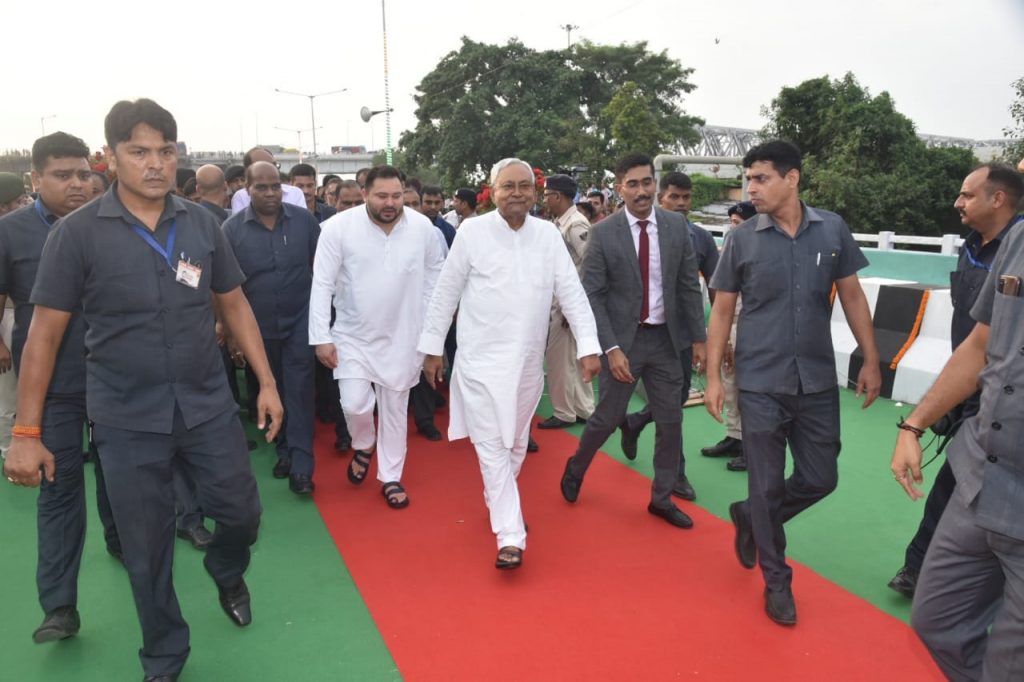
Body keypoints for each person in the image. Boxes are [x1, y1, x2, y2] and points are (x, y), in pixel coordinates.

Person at [2, 99, 282, 682]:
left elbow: (233, 303)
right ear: (110, 158)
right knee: (146, 547)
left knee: (242, 513)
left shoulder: (201, 223)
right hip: (125, 418)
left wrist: (267, 382)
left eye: (165, 151)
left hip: (206, 406)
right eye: (139, 151)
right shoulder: (76, 235)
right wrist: (26, 432)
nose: (155, 163)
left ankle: (227, 568)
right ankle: (164, 654)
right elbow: (43, 337)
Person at [704, 140, 881, 626]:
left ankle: (751, 517)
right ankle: (777, 580)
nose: (751, 188)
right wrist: (714, 376)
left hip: (816, 380)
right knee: (764, 486)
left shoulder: (833, 229)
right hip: (760, 382)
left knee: (821, 478)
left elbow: (852, 296)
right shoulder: (741, 239)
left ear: (792, 178)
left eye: (761, 178)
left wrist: (871, 359)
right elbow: (721, 310)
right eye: (749, 179)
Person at [419, 158, 600, 569]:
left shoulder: (547, 235)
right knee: (492, 446)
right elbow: (446, 293)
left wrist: (589, 347)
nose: (516, 193)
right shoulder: (472, 232)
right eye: (508, 186)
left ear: (535, 192)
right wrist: (432, 348)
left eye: (524, 186)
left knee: (516, 443)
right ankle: (510, 534)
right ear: (492, 191)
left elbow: (571, 293)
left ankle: (498, 498)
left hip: (527, 364)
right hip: (479, 363)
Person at [889, 165, 1024, 682]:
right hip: (983, 475)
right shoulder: (1016, 242)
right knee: (936, 624)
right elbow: (980, 343)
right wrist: (913, 426)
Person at [0, 131, 121, 643]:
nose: (77, 184)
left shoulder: (112, 226)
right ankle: (59, 607)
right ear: (36, 178)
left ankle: (123, 543)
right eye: (62, 175)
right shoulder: (10, 233)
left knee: (124, 477)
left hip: (116, 379)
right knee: (59, 487)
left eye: (83, 174)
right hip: (51, 387)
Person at [559, 153, 706, 530]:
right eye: (633, 184)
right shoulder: (604, 232)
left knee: (671, 422)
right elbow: (593, 293)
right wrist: (610, 348)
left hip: (667, 342)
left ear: (654, 184)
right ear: (620, 188)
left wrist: (698, 339)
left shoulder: (675, 226)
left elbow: (688, 286)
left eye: (647, 182)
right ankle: (576, 467)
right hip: (623, 342)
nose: (641, 191)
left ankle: (661, 498)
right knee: (607, 418)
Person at [310, 165, 444, 509]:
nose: (390, 203)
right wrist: (320, 337)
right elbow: (322, 283)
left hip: (405, 335)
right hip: (352, 335)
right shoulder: (337, 228)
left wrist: (431, 336)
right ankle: (364, 443)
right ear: (364, 193)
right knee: (354, 404)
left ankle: (391, 476)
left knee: (396, 410)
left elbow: (435, 280)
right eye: (382, 196)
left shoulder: (423, 229)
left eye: (397, 196)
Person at [616, 171, 719, 501]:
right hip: (642, 334)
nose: (681, 203)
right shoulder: (632, 232)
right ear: (660, 198)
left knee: (675, 401)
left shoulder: (701, 238)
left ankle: (637, 423)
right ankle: (674, 472)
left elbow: (717, 288)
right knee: (668, 405)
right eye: (674, 196)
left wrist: (716, 337)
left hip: (683, 336)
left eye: (686, 197)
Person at [223, 161, 320, 495]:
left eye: (275, 186)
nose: (269, 193)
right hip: (258, 329)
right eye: (261, 187)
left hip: (301, 322)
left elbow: (322, 270)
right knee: (273, 388)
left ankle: (302, 467)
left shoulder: (305, 222)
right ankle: (284, 451)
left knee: (300, 390)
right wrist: (232, 334)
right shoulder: (231, 231)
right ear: (246, 189)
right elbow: (226, 290)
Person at [702, 200, 757, 472]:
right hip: (727, 326)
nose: (733, 229)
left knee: (747, 390)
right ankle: (735, 436)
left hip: (747, 329)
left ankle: (752, 447)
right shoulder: (730, 251)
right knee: (730, 384)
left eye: (738, 224)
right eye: (731, 223)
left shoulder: (758, 252)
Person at [537, 173, 594, 430]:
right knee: (574, 359)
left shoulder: (575, 224)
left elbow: (590, 266)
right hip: (566, 303)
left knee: (559, 360)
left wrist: (574, 309)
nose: (544, 200)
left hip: (567, 305)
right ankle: (583, 409)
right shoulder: (563, 222)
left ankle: (564, 412)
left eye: (547, 195)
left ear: (558, 196)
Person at [230, 147, 305, 213]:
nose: (271, 169)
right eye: (263, 166)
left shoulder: (295, 193)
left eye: (274, 165)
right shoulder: (240, 197)